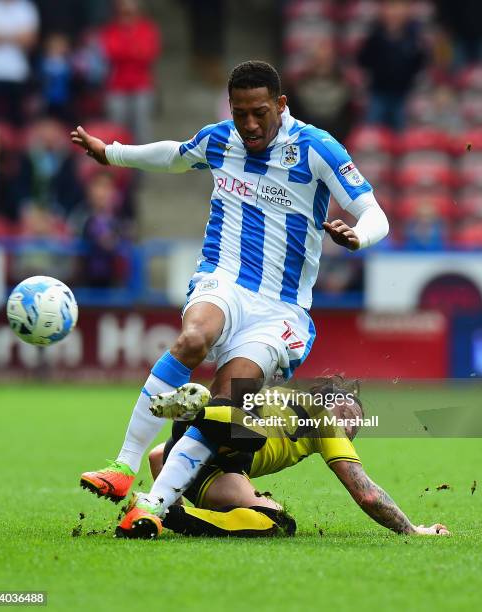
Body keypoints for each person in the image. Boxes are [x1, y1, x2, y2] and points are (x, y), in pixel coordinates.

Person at [73, 60, 389, 505]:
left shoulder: (317, 148)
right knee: (193, 338)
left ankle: (154, 506)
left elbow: (374, 211)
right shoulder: (220, 139)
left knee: (226, 402)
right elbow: (174, 155)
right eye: (240, 113)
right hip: (223, 279)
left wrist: (359, 237)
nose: (249, 124)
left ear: (281, 104)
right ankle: (123, 465)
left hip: (280, 309)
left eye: (259, 112)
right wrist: (112, 153)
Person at [114, 378, 450, 539]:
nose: (350, 426)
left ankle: (166, 508)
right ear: (329, 401)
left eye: (357, 425)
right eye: (348, 413)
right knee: (253, 442)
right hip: (229, 452)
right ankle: (201, 414)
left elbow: (159, 455)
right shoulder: (325, 423)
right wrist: (412, 529)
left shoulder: (284, 392)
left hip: (193, 455)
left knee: (278, 518)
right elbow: (367, 494)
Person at [358, 0, 427, 131]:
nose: (395, 13)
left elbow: (421, 63)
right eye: (391, 8)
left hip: (404, 94)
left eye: (399, 8)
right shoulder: (375, 33)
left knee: (402, 133)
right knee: (372, 132)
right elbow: (363, 60)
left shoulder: (414, 35)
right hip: (378, 92)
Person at [99, 0, 161, 143]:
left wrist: (125, 49)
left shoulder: (147, 28)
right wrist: (134, 49)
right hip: (117, 86)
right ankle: (119, 165)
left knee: (143, 131)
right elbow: (110, 52)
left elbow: (149, 53)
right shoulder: (110, 29)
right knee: (116, 132)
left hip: (142, 86)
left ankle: (142, 165)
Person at [0, 0, 39, 124]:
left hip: (17, 73)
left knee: (16, 121)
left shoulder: (26, 7)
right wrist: (14, 36)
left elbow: (29, 40)